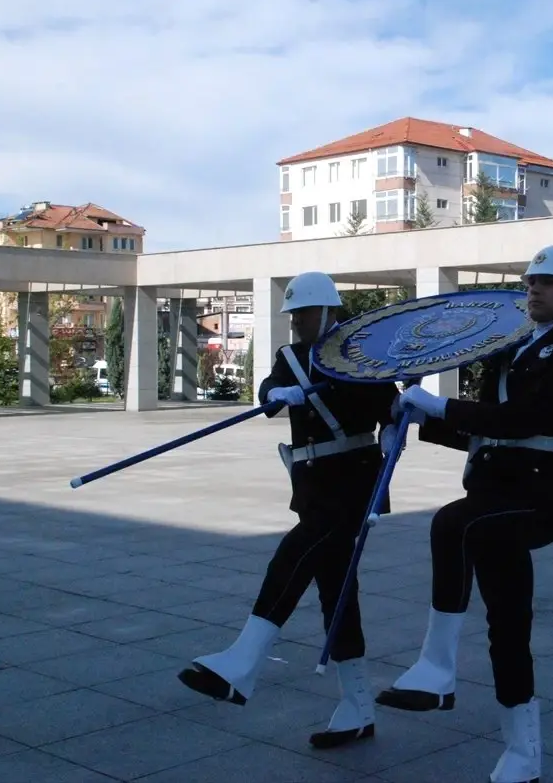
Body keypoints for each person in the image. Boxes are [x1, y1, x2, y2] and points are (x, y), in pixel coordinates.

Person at [375, 245, 553, 783]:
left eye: (548, 282)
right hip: (494, 496)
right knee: (508, 630)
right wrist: (412, 420)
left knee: (451, 523)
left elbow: (526, 420)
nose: (534, 289)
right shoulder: (509, 352)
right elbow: (484, 431)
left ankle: (436, 669)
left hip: (537, 497)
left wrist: (440, 405)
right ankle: (523, 757)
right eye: (531, 281)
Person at [177, 271, 399, 750]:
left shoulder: (361, 354)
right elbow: (270, 393)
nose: (296, 321)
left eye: (303, 312)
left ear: (329, 311)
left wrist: (385, 415)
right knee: (337, 592)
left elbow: (388, 407)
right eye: (293, 314)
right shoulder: (290, 357)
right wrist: (275, 393)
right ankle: (357, 707)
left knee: (293, 555)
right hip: (313, 486)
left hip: (354, 482)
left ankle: (243, 661)